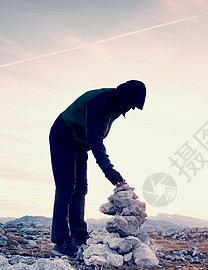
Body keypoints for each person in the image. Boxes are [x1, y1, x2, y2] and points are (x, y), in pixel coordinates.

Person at [49, 80, 146, 257]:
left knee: (81, 188)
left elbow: (95, 136)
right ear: (126, 97)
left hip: (79, 143)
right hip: (63, 135)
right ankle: (61, 241)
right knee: (66, 186)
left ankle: (78, 234)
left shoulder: (116, 105)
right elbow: (95, 139)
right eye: (132, 104)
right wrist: (109, 170)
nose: (131, 109)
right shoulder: (101, 102)